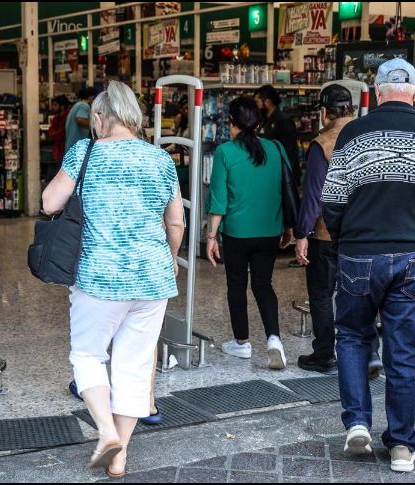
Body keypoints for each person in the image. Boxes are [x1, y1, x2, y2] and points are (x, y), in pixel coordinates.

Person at [321, 59, 415, 472]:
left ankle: (357, 424)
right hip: (414, 257)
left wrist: (347, 239)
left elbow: (332, 201)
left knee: (351, 336)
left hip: (358, 255)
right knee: (404, 351)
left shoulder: (353, 133)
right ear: (414, 92)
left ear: (378, 93)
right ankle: (402, 445)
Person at [42, 81, 185, 478]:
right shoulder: (160, 160)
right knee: (134, 365)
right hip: (152, 277)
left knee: (88, 355)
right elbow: (176, 221)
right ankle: (120, 456)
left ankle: (106, 433)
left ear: (101, 118)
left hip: (98, 277)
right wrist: (170, 258)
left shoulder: (85, 152)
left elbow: (49, 203)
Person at [294, 84, 382, 377]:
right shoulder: (370, 136)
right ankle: (370, 352)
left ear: (324, 112)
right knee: (361, 293)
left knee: (321, 294)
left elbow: (314, 194)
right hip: (364, 233)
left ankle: (324, 355)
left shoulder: (323, 143)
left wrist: (302, 233)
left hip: (326, 234)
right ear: (352, 108)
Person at [205, 96, 293, 370]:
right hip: (269, 231)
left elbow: (218, 199)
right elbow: (286, 190)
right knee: (263, 285)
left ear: (232, 122)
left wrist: (211, 237)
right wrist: (289, 227)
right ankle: (274, 339)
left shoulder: (225, 152)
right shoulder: (275, 148)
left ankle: (242, 343)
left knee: (237, 285)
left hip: (237, 234)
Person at [254, 85, 301, 186]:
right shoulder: (263, 121)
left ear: (267, 102)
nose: (256, 106)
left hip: (281, 178)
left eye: (257, 102)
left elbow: (290, 153)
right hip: (267, 174)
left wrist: (292, 181)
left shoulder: (284, 121)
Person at [64, 87, 97, 152]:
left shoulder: (77, 105)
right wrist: (95, 126)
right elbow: (80, 120)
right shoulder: (84, 106)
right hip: (77, 148)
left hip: (72, 147)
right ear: (91, 98)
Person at [48, 95, 71, 165]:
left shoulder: (68, 117)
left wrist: (54, 134)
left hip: (65, 150)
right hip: (57, 151)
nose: (53, 107)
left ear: (62, 106)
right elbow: (51, 130)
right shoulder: (56, 118)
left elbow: (61, 133)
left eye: (55, 105)